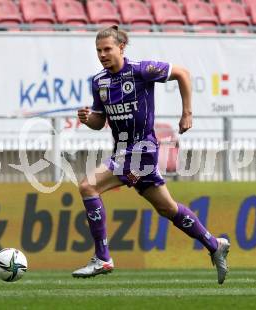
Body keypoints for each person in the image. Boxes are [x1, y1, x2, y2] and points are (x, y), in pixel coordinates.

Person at [73, 25, 230, 284]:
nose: (102, 54)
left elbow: (182, 73)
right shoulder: (99, 81)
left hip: (142, 150)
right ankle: (215, 244)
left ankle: (103, 258)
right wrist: (87, 118)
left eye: (107, 49)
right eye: (99, 50)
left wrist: (187, 113)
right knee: (167, 208)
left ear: (121, 48)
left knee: (88, 186)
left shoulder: (141, 70)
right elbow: (99, 122)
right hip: (123, 151)